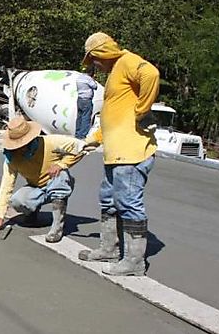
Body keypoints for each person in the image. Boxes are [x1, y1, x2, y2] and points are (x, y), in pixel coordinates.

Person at [76, 32, 160, 276]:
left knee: (128, 203)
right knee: (109, 200)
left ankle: (134, 262)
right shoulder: (117, 72)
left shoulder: (126, 61)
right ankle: (109, 248)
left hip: (131, 154)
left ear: (103, 52)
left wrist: (142, 111)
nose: (95, 65)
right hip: (116, 154)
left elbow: (151, 74)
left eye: (94, 59)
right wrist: (90, 141)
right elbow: (114, 117)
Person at [0, 115, 85, 243]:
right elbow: (6, 185)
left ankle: (57, 227)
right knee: (17, 201)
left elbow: (82, 147)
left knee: (60, 176)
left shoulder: (50, 142)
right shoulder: (11, 158)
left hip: (56, 182)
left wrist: (61, 164)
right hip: (36, 186)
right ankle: (32, 213)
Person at [75, 67, 98, 138]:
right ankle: (82, 135)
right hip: (86, 100)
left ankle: (77, 133)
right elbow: (95, 86)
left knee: (79, 117)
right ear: (91, 73)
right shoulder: (88, 79)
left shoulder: (79, 77)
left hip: (80, 99)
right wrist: (93, 79)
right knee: (86, 117)